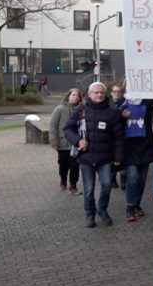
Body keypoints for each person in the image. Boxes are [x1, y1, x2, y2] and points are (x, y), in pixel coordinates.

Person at [63, 82, 124, 228]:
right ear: (89, 95)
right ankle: (90, 213)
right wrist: (78, 141)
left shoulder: (112, 112)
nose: (99, 95)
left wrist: (118, 157)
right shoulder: (80, 110)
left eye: (101, 92)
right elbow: (67, 129)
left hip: (105, 157)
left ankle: (102, 209)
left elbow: (119, 137)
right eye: (96, 92)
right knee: (89, 188)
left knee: (107, 184)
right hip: (86, 157)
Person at [120, 94, 153, 222]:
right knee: (133, 177)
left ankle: (136, 204)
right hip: (129, 148)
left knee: (141, 179)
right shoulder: (122, 103)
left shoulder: (147, 103)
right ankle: (130, 206)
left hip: (145, 146)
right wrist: (122, 117)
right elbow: (113, 121)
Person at [49, 88, 83, 194]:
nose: (75, 97)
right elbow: (53, 126)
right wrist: (54, 141)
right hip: (63, 144)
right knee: (63, 164)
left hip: (76, 143)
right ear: (68, 96)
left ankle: (73, 186)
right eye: (73, 95)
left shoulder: (82, 110)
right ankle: (63, 179)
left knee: (75, 166)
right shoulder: (60, 109)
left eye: (77, 95)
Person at [109, 84, 127, 190]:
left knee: (123, 157)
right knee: (112, 158)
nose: (117, 93)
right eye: (115, 91)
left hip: (123, 134)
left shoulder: (125, 103)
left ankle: (124, 180)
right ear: (111, 93)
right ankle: (112, 178)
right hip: (111, 136)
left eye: (118, 91)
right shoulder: (107, 104)